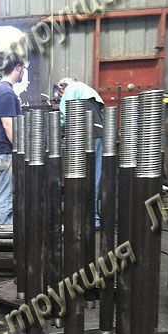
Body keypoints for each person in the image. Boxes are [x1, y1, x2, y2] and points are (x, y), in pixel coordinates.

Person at [57, 77, 105, 228]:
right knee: (95, 177)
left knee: (77, 175)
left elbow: (65, 114)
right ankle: (94, 219)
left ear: (62, 88)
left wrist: (57, 127)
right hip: (98, 135)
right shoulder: (89, 91)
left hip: (83, 135)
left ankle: (77, 217)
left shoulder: (71, 88)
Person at [0, 53, 25, 224]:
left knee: (3, 196)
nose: (23, 72)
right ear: (18, 67)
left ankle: (2, 232)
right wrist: (21, 150)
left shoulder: (0, 89)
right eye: (23, 68)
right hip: (5, 153)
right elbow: (8, 125)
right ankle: (4, 235)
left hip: (0, 152)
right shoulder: (6, 92)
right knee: (6, 198)